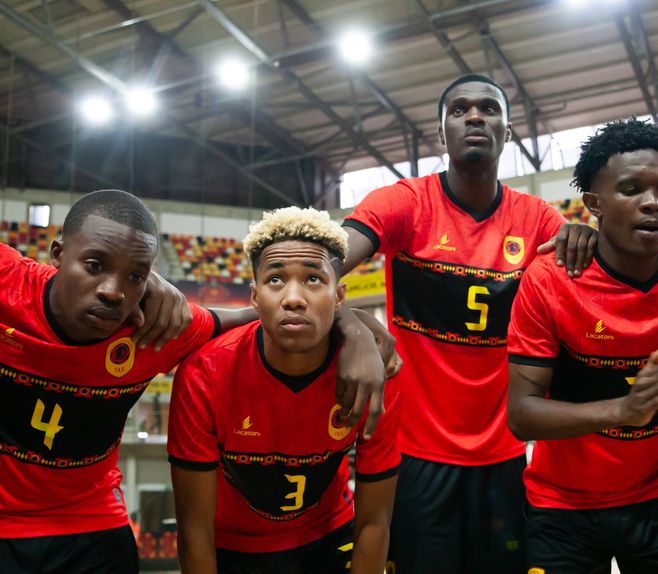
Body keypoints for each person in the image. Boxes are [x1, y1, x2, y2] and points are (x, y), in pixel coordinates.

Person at [0, 189, 389, 574]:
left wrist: (350, 325)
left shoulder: (157, 331)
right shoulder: (9, 282)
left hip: (92, 524)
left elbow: (268, 318)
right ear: (56, 255)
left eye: (135, 276)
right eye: (94, 265)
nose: (112, 291)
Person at [341, 73, 597, 573]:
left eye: (488, 109)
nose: (475, 116)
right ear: (442, 133)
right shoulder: (403, 203)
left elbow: (606, 281)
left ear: (507, 129)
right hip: (414, 454)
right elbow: (322, 266)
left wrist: (589, 235)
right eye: (459, 110)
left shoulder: (539, 220)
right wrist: (349, 321)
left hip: (504, 455)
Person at [507, 117, 658, 573]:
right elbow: (522, 415)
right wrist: (627, 409)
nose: (654, 204)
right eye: (632, 189)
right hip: (561, 509)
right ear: (594, 203)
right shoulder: (548, 280)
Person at [168, 207, 400, 574]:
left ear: (339, 296)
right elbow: (193, 528)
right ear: (254, 296)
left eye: (312, 279)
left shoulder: (374, 374)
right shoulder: (204, 373)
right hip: (232, 547)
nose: (294, 297)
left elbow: (374, 522)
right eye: (276, 280)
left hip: (329, 539)